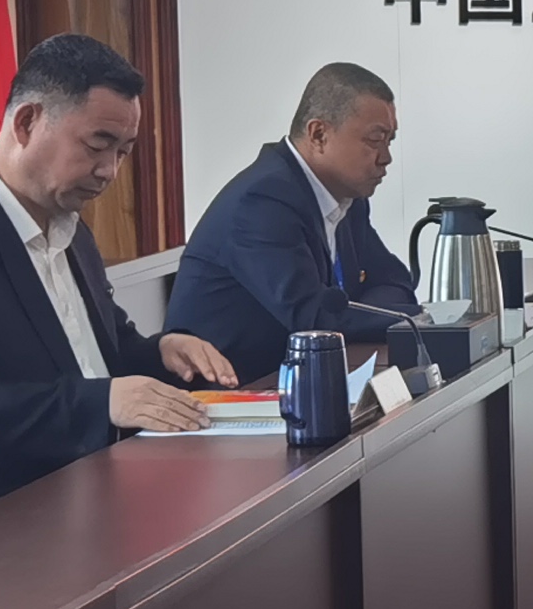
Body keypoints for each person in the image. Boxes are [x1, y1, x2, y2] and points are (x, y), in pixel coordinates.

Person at [0, 32, 238, 541]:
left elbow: (101, 355)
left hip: (88, 491)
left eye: (123, 152)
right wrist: (101, 403)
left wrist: (162, 351)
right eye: (97, 145)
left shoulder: (71, 230)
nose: (109, 171)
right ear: (27, 122)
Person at [166, 60, 425, 377]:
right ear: (319, 134)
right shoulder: (263, 201)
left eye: (389, 141)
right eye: (375, 140)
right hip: (228, 392)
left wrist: (364, 309)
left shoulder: (348, 197)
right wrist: (413, 316)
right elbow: (315, 320)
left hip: (298, 380)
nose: (386, 158)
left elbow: (395, 282)